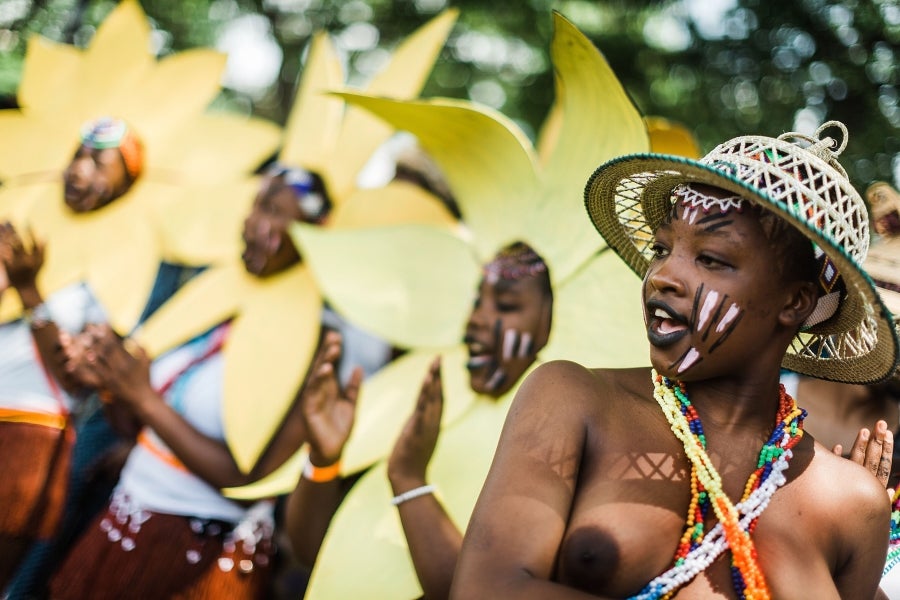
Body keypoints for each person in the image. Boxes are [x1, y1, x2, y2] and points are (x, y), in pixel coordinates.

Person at [450, 119, 900, 598]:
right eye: (663, 249)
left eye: (712, 259)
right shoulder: (574, 399)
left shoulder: (852, 501)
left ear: (795, 302)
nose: (663, 275)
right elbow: (486, 587)